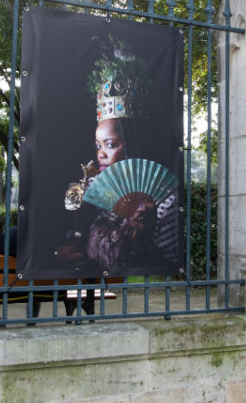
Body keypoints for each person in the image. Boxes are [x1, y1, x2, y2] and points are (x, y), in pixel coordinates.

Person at [60, 41, 181, 274]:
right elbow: (73, 239)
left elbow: (168, 261)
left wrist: (142, 237)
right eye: (98, 145)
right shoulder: (90, 188)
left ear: (132, 144)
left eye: (111, 144)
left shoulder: (165, 199)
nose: (101, 153)